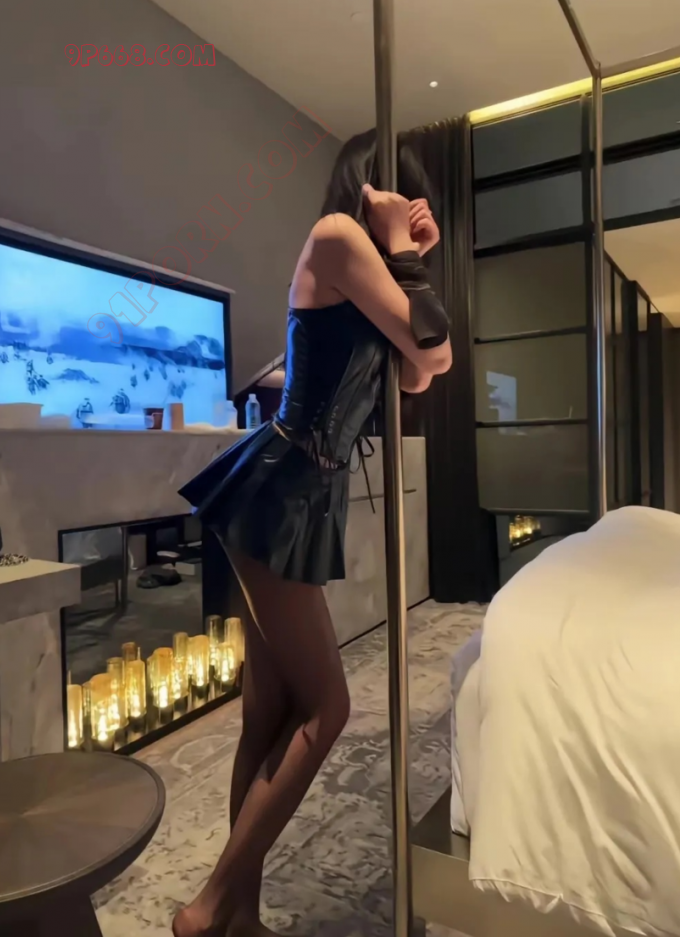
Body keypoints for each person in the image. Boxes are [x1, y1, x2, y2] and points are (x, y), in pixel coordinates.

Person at [173, 129, 453, 937]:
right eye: (404, 192)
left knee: (270, 711)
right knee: (327, 708)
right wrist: (403, 252)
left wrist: (410, 258)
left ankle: (239, 916)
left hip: (303, 494)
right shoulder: (336, 238)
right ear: (370, 187)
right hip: (279, 485)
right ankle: (207, 909)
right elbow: (431, 347)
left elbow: (424, 367)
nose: (414, 209)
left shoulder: (373, 272)